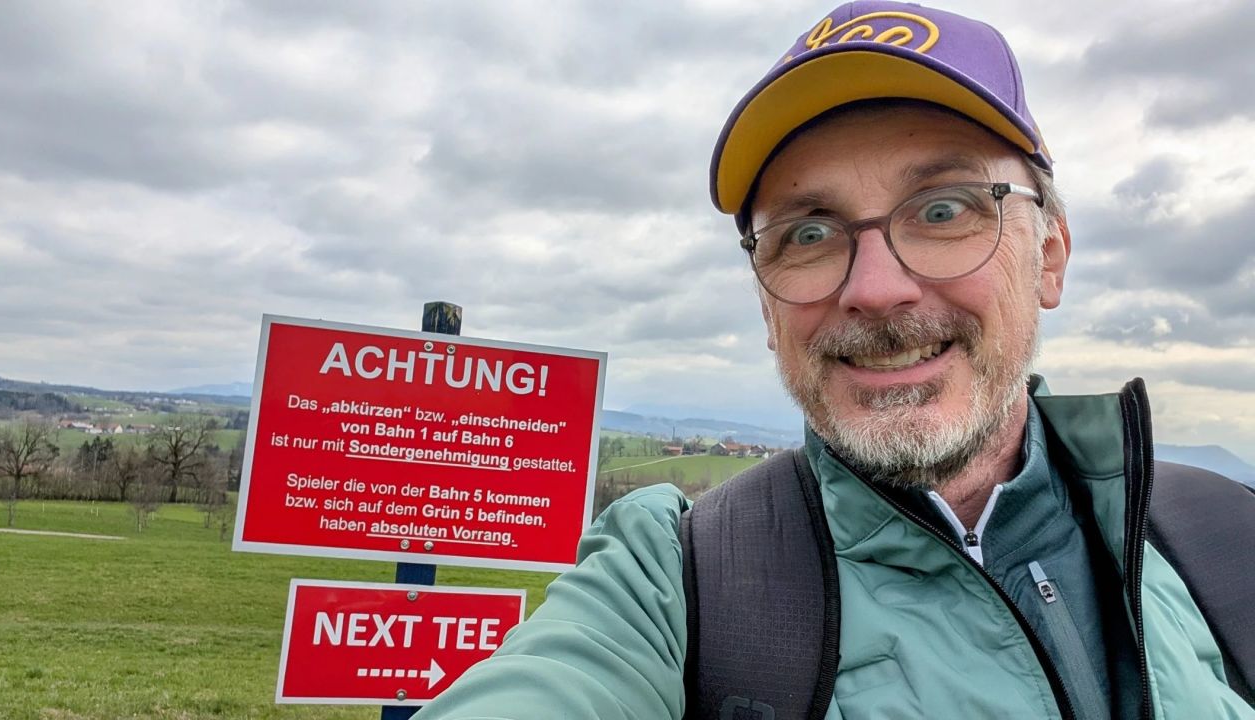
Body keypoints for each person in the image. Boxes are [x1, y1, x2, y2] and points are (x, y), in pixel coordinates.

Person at [415, 2, 1255, 718]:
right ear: (765, 304)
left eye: (944, 209)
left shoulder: (1224, 541)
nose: (877, 289)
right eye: (809, 232)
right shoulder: (679, 582)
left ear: (1050, 256)